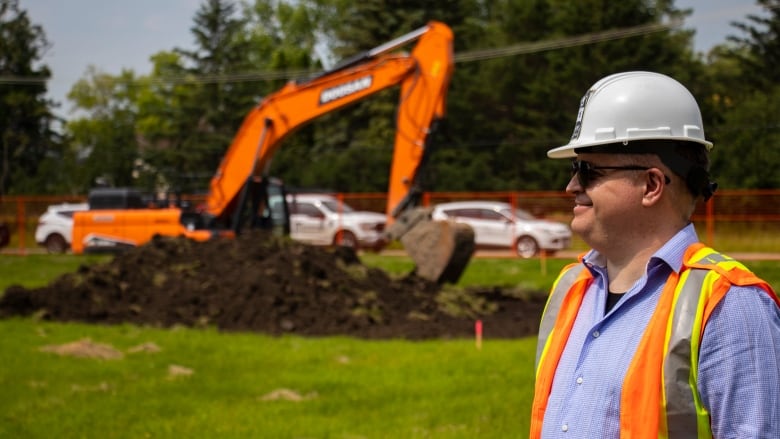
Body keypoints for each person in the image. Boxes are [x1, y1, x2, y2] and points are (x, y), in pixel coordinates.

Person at [529, 71, 780, 439]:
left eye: (588, 171)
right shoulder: (571, 288)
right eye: (573, 169)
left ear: (651, 185)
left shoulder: (730, 304)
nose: (571, 187)